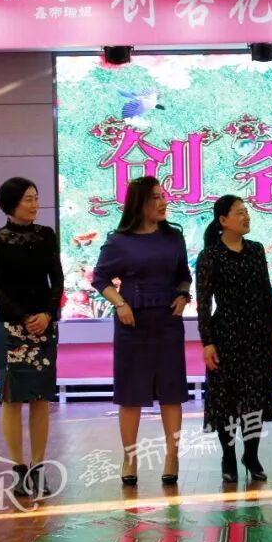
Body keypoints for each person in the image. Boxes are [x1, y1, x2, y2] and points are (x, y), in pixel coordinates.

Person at [91, 176, 192, 486]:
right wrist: (120, 303)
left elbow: (184, 276)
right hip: (132, 323)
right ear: (139, 203)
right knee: (130, 394)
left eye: (163, 196)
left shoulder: (173, 237)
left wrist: (183, 294)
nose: (163, 203)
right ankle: (130, 458)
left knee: (171, 391)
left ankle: (172, 456)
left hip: (167, 321)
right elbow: (100, 279)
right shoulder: (119, 241)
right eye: (155, 198)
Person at [0, 177, 62, 497]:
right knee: (12, 398)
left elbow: (57, 279)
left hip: (44, 324)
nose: (34, 204)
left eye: (36, 198)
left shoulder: (46, 235)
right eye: (28, 199)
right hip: (11, 326)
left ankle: (39, 467)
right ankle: (18, 470)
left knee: (41, 398)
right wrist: (24, 316)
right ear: (11, 203)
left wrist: (47, 315)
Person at [196, 195, 272, 482]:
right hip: (226, 334)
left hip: (257, 332)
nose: (246, 216)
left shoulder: (256, 250)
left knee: (255, 397)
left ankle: (252, 454)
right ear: (223, 220)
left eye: (247, 211)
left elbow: (266, 291)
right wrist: (207, 341)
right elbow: (203, 303)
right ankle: (229, 456)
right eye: (239, 212)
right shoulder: (210, 255)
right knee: (227, 399)